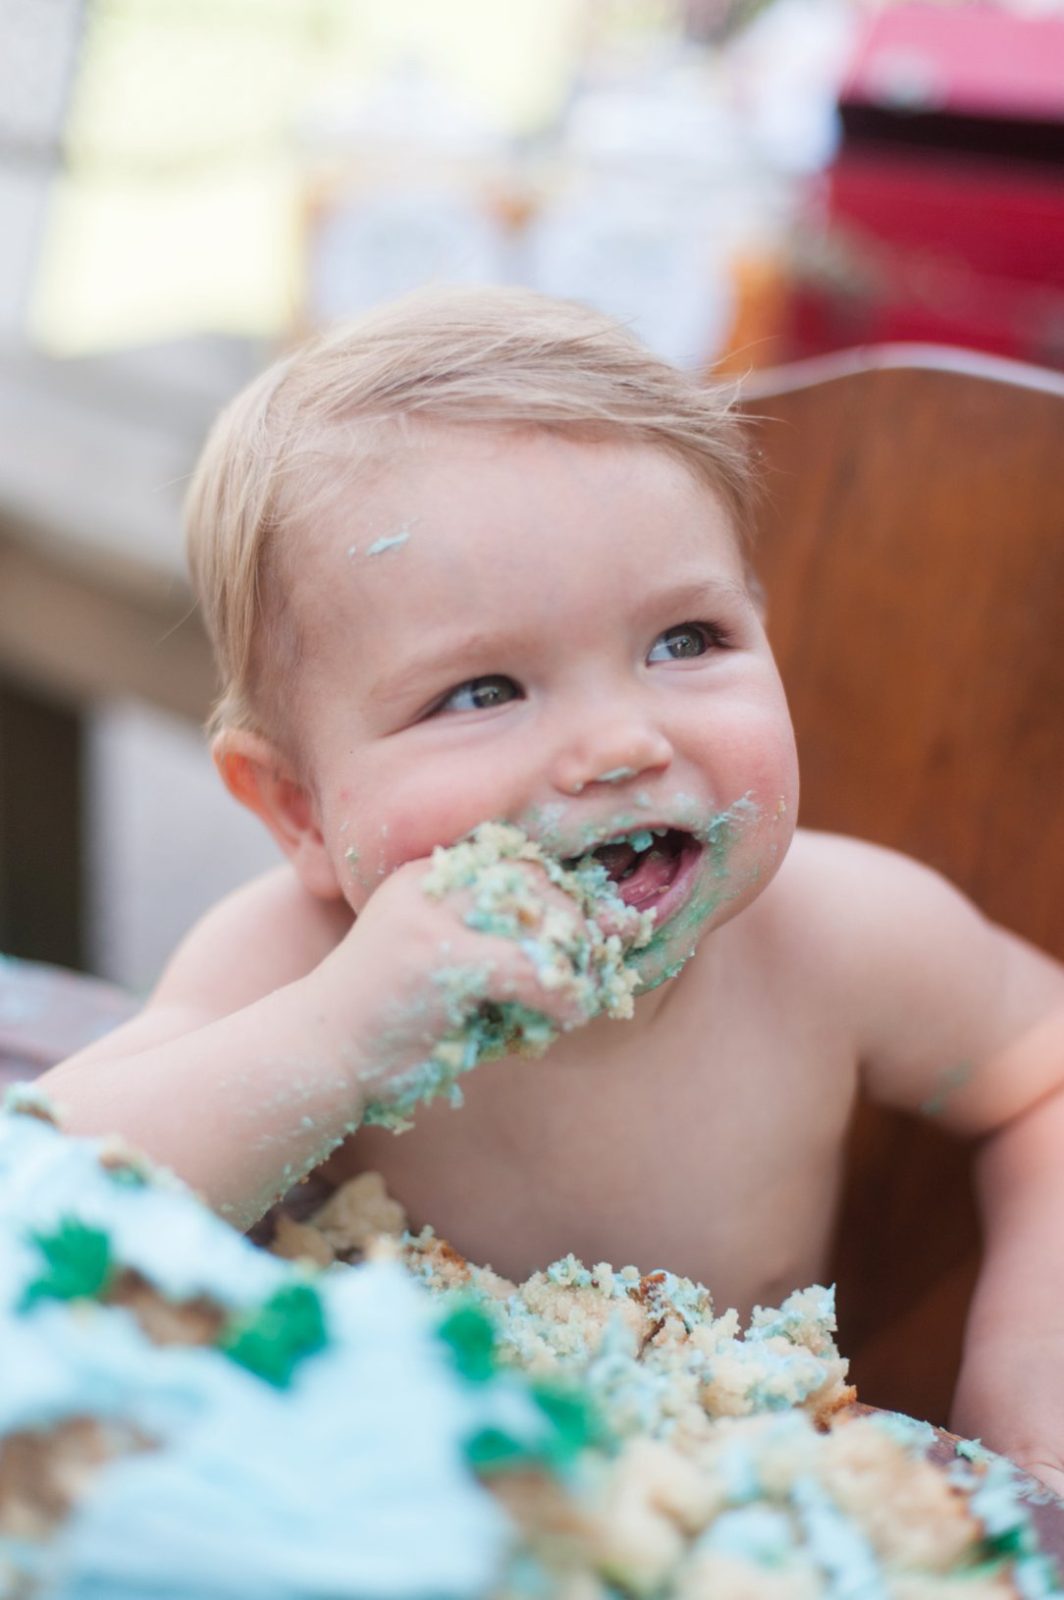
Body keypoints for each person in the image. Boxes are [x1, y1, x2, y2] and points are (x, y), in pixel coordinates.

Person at [38, 286, 1064, 1490]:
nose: (620, 741)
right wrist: (335, 1039)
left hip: (724, 1506)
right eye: (482, 691)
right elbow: (51, 1201)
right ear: (299, 809)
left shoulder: (841, 938)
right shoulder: (298, 962)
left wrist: (1025, 1363)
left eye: (684, 639)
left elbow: (1041, 1075)